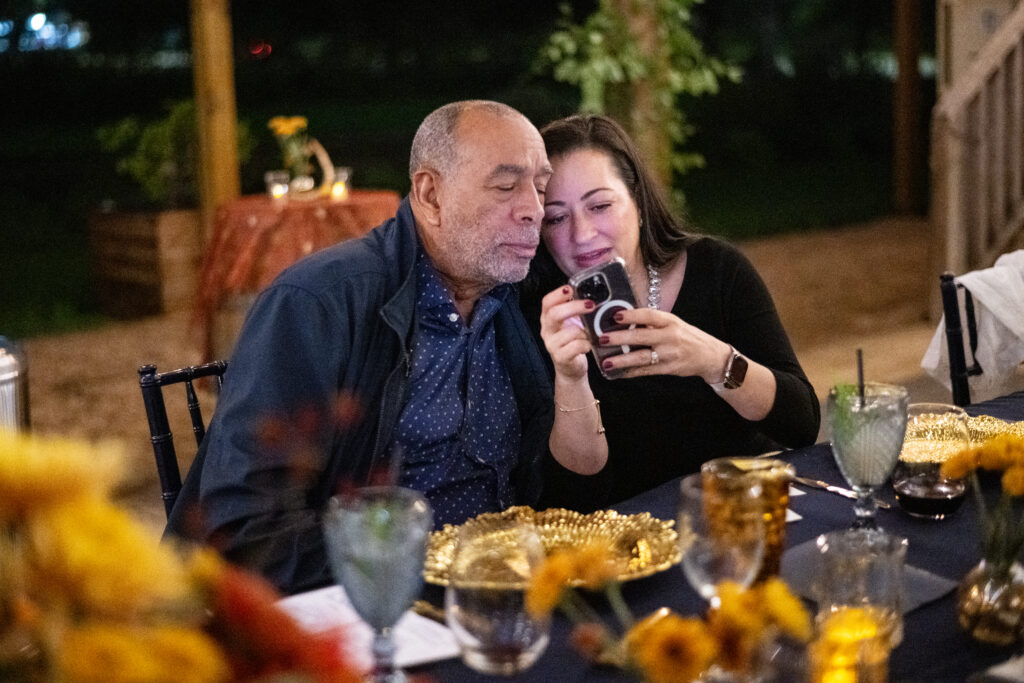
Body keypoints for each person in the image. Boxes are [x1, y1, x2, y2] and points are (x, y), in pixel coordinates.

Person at [166, 100, 559, 595]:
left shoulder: (518, 295)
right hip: (371, 604)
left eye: (541, 188)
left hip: (505, 590)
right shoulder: (319, 303)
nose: (534, 210)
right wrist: (421, 568)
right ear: (430, 194)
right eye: (506, 186)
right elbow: (246, 529)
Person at [523, 114, 820, 511]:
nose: (581, 234)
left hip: (738, 518)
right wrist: (571, 376)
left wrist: (714, 361)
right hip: (632, 541)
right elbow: (574, 498)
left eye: (600, 205)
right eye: (557, 217)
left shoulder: (716, 269)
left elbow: (801, 425)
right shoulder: (544, 316)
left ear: (639, 203)